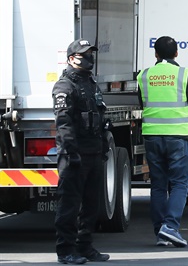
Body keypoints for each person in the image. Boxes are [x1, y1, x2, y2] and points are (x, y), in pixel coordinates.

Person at [137, 36, 188, 247]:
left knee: (158, 185)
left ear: (155, 54)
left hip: (152, 135)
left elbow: (142, 102)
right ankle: (171, 227)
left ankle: (160, 232)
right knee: (180, 184)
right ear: (176, 53)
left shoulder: (144, 75)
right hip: (178, 136)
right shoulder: (184, 74)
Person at [53, 39, 110, 264]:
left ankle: (85, 247)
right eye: (84, 54)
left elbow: (101, 118)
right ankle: (65, 251)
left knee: (91, 205)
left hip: (94, 152)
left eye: (90, 54)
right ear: (71, 59)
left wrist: (104, 146)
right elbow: (63, 124)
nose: (89, 58)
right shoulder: (65, 86)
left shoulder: (91, 83)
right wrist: (71, 152)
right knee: (69, 205)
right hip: (74, 155)